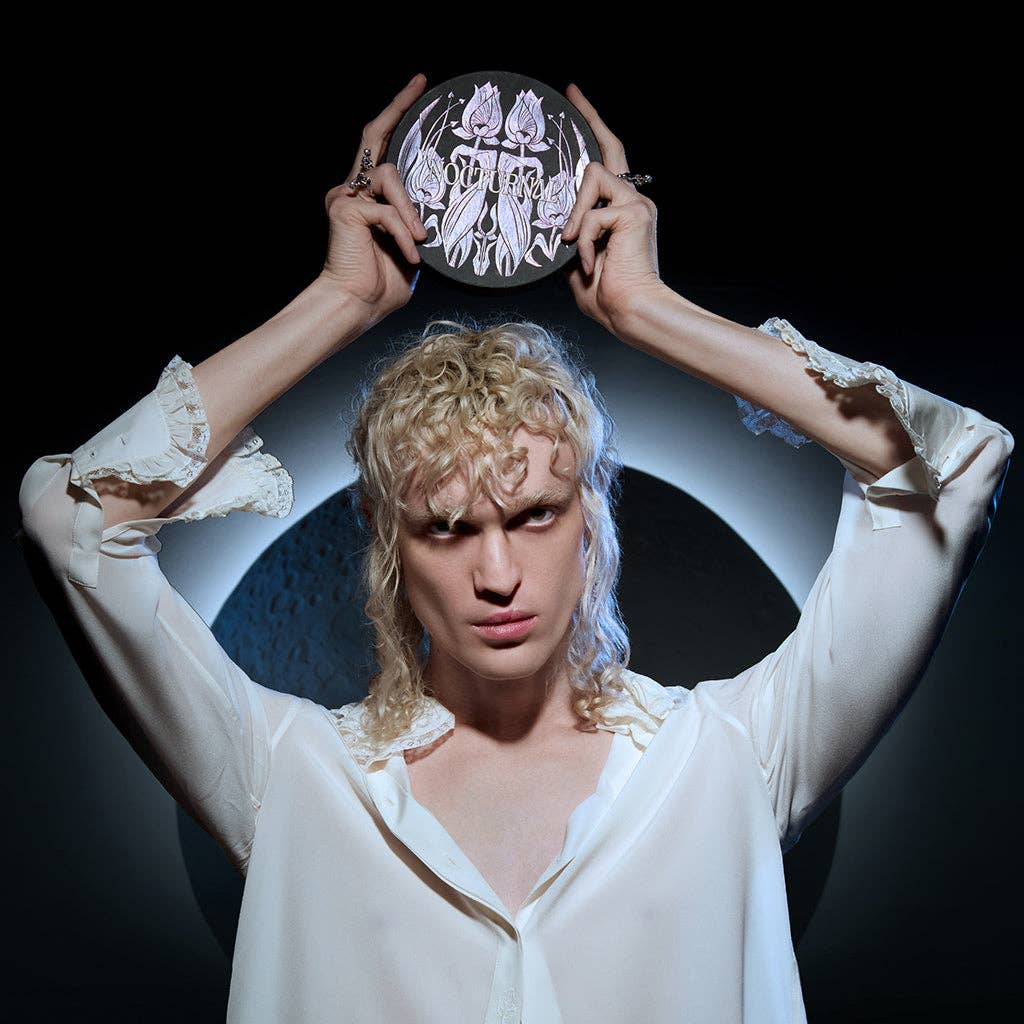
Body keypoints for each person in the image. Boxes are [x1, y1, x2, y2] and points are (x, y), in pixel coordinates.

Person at [15, 73, 1014, 1024]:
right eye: (447, 528)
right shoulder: (294, 777)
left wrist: (650, 312)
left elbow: (953, 467)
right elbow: (71, 521)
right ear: (390, 545)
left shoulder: (726, 758)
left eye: (534, 514)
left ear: (592, 518)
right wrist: (340, 300)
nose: (497, 576)